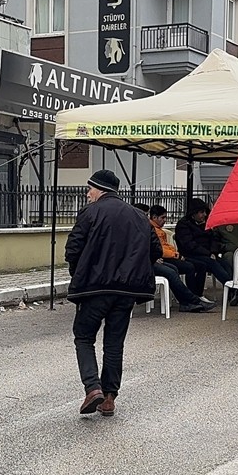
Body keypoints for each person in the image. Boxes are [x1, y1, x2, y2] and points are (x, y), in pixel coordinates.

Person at [65, 169, 162, 418]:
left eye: (90, 189)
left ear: (101, 189)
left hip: (95, 289)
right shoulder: (140, 216)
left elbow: (73, 248)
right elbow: (155, 250)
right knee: (114, 342)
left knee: (84, 337)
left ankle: (92, 387)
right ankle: (109, 398)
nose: (88, 194)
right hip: (127, 291)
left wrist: (80, 273)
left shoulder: (91, 212)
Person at [148, 205, 215, 312]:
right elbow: (157, 249)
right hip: (152, 261)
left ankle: (188, 301)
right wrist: (174, 255)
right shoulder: (149, 229)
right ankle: (193, 300)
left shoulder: (154, 229)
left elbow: (161, 247)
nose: (165, 220)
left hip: (156, 259)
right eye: (163, 218)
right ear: (155, 217)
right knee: (175, 271)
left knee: (177, 269)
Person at [174, 198, 232, 298]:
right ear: (193, 213)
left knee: (224, 263)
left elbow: (213, 238)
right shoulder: (183, 225)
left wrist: (213, 252)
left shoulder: (205, 223)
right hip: (191, 254)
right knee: (211, 263)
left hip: (208, 253)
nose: (204, 215)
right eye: (201, 212)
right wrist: (208, 253)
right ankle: (231, 287)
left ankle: (231, 289)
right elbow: (189, 245)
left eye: (205, 212)